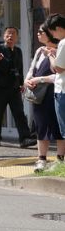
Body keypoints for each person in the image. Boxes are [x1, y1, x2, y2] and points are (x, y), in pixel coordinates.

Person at [0, 26, 35, 147]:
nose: (10, 36)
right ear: (4, 36)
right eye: (8, 34)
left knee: (19, 114)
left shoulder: (18, 51)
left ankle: (25, 139)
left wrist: (22, 83)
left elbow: (20, 68)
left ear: (17, 37)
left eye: (13, 34)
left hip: (14, 88)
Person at [25, 24, 65, 172]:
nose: (38, 34)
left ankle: (60, 158)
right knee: (40, 126)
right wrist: (27, 80)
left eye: (41, 32)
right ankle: (41, 159)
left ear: (49, 33)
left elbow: (59, 74)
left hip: (54, 92)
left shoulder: (58, 49)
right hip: (38, 95)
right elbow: (31, 69)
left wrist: (39, 79)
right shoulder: (39, 51)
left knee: (57, 126)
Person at [47, 14, 65, 144]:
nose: (52, 35)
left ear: (58, 28)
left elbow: (58, 68)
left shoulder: (63, 42)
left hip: (62, 91)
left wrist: (51, 56)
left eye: (52, 31)